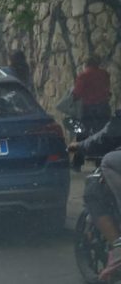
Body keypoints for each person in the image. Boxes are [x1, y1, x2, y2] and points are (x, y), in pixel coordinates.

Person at [70, 109, 121, 282]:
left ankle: (119, 247)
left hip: (91, 116)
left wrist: (81, 145)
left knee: (107, 164)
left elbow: (109, 134)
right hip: (94, 113)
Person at [73, 55, 113, 170]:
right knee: (102, 135)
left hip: (88, 109)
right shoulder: (104, 74)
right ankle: (100, 161)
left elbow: (77, 93)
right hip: (103, 108)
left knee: (81, 135)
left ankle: (77, 162)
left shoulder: (83, 76)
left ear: (86, 64)